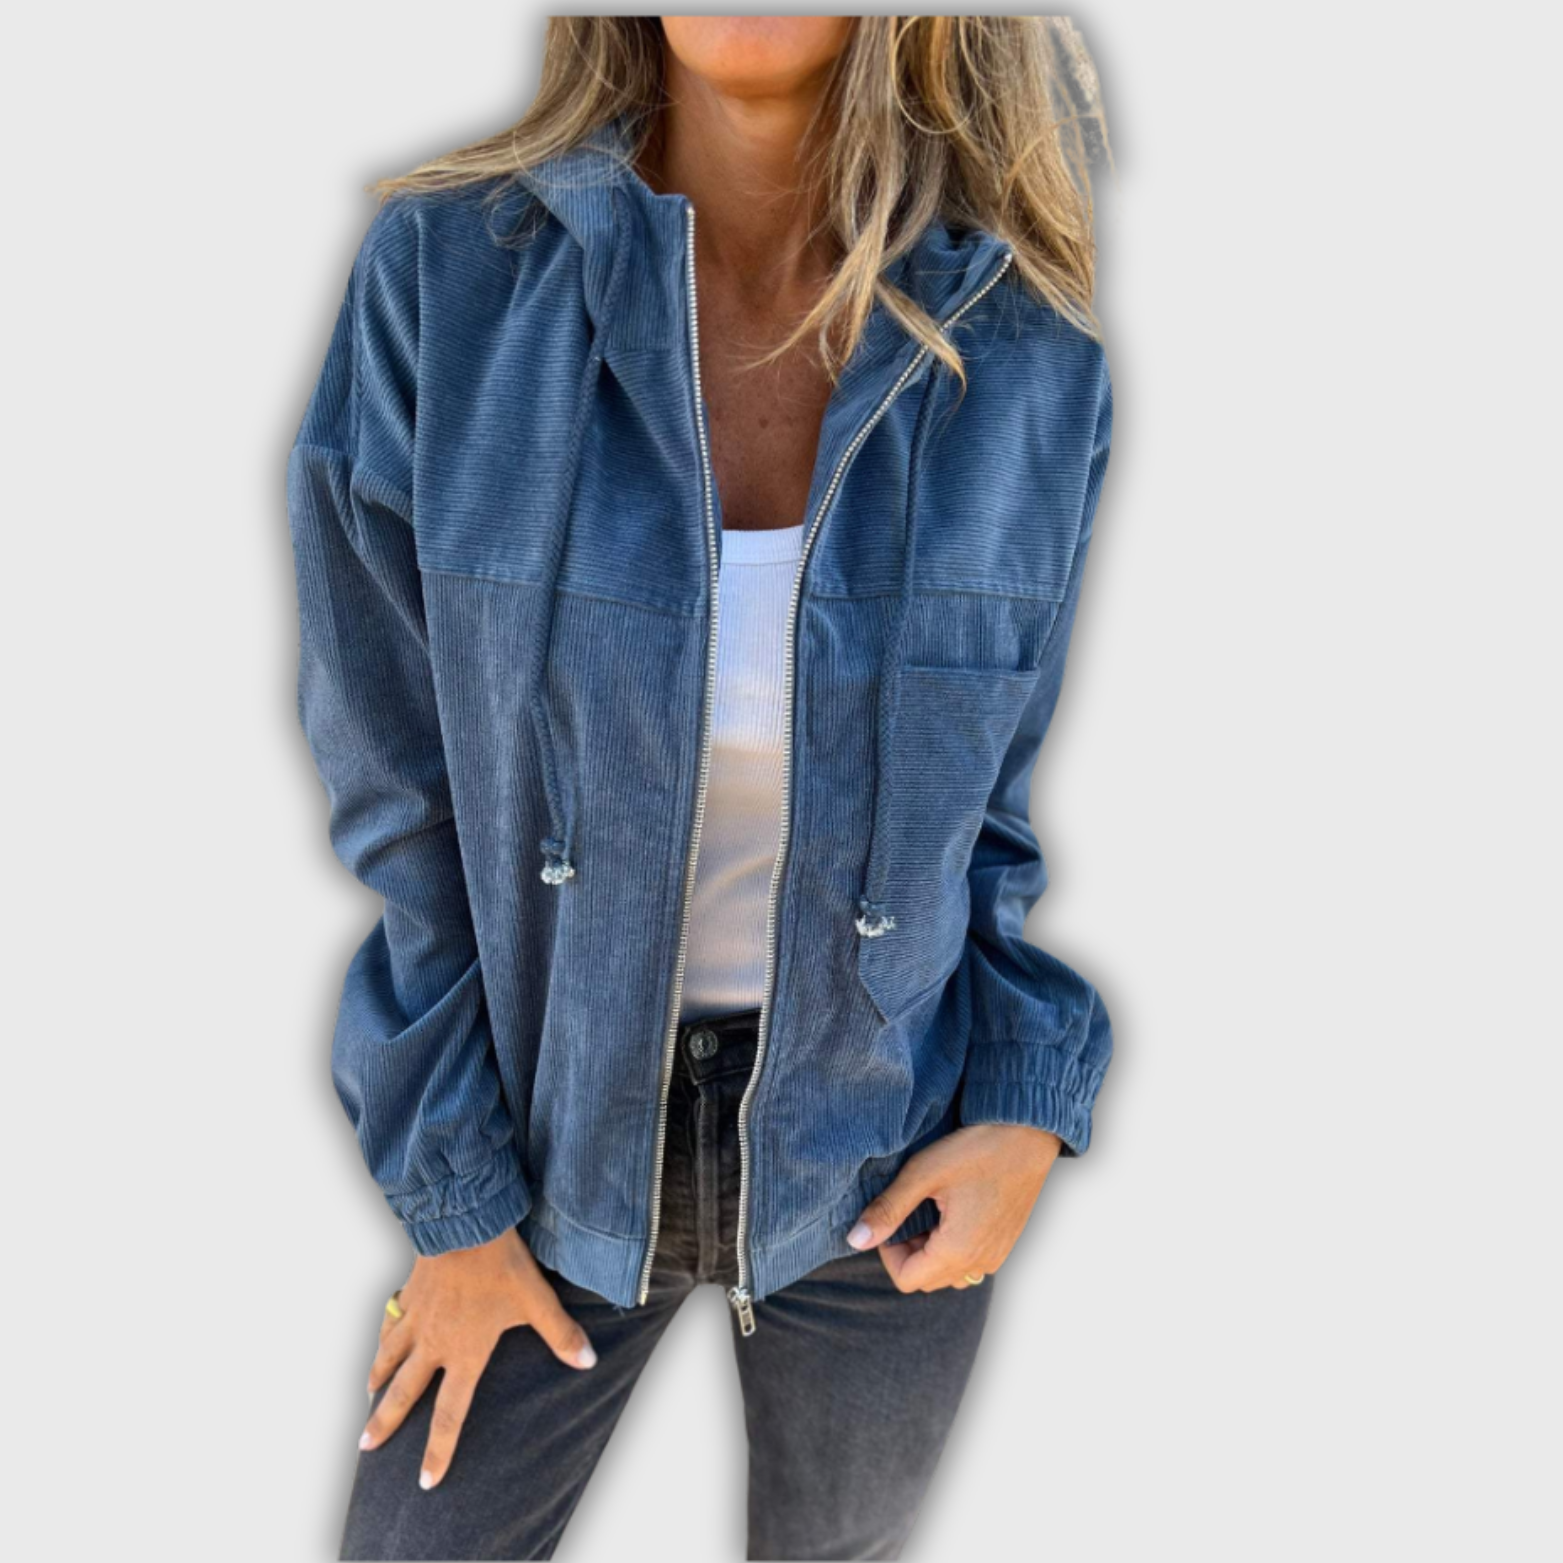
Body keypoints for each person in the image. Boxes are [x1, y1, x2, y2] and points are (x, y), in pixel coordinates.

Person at [286, 16, 1116, 1560]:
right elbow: (400, 800)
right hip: (537, 1150)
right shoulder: (445, 285)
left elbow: (990, 814)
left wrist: (1021, 1108)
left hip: (876, 1171)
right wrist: (457, 1202)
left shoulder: (1023, 353)